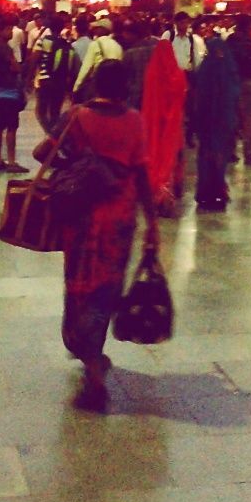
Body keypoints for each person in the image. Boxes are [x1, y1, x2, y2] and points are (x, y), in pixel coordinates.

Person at [36, 59, 158, 410]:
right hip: (119, 223)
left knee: (79, 287)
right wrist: (152, 224)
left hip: (81, 218)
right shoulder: (135, 121)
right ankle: (94, 356)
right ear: (125, 87)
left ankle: (90, 364)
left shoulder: (76, 116)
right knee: (105, 291)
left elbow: (41, 152)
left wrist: (76, 162)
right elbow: (142, 176)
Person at [192, 32, 242, 211]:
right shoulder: (227, 69)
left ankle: (209, 192)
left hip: (213, 123)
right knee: (215, 157)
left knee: (210, 157)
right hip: (219, 123)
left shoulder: (207, 69)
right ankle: (214, 191)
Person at [141, 40, 188, 214]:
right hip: (173, 124)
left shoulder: (151, 72)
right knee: (170, 155)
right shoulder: (179, 75)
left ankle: (153, 192)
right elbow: (183, 97)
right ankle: (167, 194)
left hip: (152, 122)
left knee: (153, 152)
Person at [0, 17, 29, 173]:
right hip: (9, 92)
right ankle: (11, 161)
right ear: (1, 31)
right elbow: (16, 68)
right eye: (8, 29)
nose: (11, 31)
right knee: (11, 127)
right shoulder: (6, 48)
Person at [226, 15, 251, 167]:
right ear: (249, 25)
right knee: (248, 120)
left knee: (232, 118)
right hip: (249, 82)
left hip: (232, 82)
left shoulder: (231, 40)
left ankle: (230, 152)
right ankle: (249, 156)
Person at [73, 17, 123, 97]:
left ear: (103, 29)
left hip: (99, 83)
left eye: (97, 28)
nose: (94, 30)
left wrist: (76, 87)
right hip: (114, 84)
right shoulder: (117, 46)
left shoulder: (95, 44)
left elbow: (86, 68)